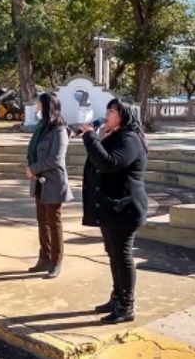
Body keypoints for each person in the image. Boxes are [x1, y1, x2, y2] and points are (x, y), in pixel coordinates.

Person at [79, 98, 148, 324]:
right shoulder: (113, 136)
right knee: (114, 255)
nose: (106, 114)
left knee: (123, 256)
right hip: (111, 208)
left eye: (112, 111)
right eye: (107, 110)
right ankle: (117, 297)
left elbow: (108, 163)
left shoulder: (129, 139)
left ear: (124, 116)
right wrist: (96, 138)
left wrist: (90, 137)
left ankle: (126, 305)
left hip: (124, 209)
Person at [25, 93, 73, 279]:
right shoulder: (41, 127)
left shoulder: (60, 130)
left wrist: (33, 169)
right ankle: (44, 257)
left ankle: (56, 261)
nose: (36, 106)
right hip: (38, 181)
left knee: (54, 222)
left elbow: (55, 159)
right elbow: (34, 150)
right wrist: (31, 166)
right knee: (42, 221)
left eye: (39, 104)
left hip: (52, 182)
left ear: (47, 106)